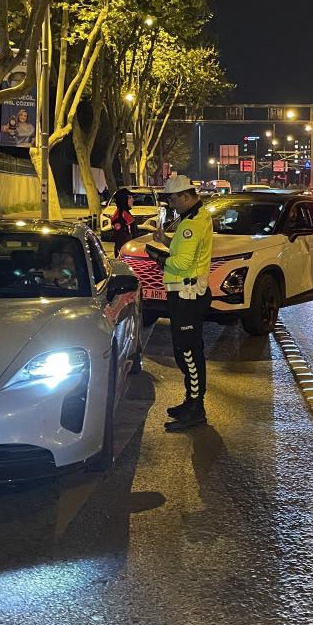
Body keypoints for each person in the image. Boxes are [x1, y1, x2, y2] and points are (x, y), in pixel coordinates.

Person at [149, 173, 213, 432]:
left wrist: (159, 258)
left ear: (186, 196)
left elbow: (183, 263)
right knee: (186, 350)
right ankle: (191, 401)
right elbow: (186, 250)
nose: (171, 203)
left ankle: (196, 407)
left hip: (187, 295)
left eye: (174, 199)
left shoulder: (191, 224)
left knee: (188, 352)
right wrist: (165, 241)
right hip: (186, 294)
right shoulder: (194, 218)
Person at [109, 187, 136, 257]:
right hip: (126, 254)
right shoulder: (120, 216)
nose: (133, 200)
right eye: (130, 197)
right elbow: (121, 239)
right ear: (124, 199)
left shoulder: (123, 212)